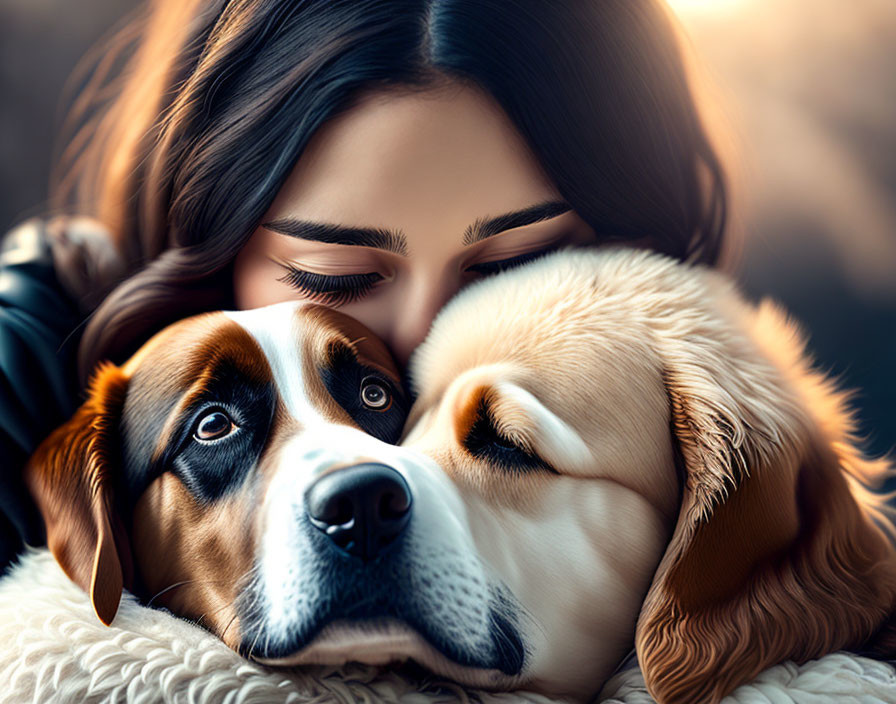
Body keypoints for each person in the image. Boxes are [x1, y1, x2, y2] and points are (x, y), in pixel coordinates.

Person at [0, 0, 728, 574]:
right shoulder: (31, 353)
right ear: (212, 243)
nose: (424, 345)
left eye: (517, 267)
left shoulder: (717, 433)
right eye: (337, 279)